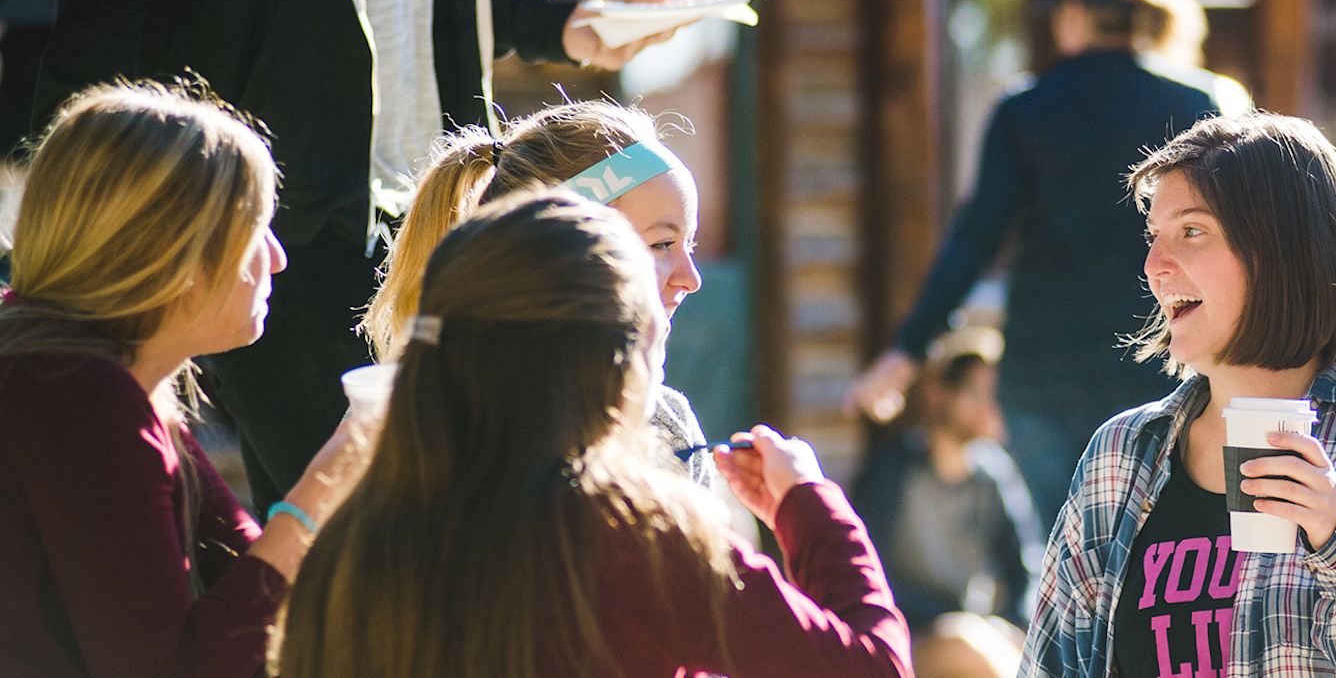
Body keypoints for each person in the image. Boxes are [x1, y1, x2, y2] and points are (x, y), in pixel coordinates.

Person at [32, 0, 688, 514]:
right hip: (284, 237)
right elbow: (104, 30)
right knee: (359, 535)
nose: (687, 277)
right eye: (660, 244)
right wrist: (51, 228)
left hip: (418, 216)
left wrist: (555, 21)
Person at [275, 195, 911, 677]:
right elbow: (874, 669)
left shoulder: (351, 538)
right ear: (617, 364)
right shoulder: (636, 535)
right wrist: (807, 504)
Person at [1020, 113, 1336, 677]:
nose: (1154, 266)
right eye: (1154, 236)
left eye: (1191, 231)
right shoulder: (1120, 456)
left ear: (1279, 249)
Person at [845, 0, 1247, 523]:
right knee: (1160, 537)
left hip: (1043, 373)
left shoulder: (1025, 110)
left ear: (1073, 15)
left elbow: (975, 238)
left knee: (1065, 537)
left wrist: (907, 350)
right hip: (1160, 362)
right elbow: (1238, 238)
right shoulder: (1197, 102)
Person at [0, 82, 365, 677]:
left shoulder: (82, 366)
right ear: (177, 257)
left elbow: (242, 576)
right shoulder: (78, 397)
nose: (277, 258)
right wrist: (325, 484)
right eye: (256, 229)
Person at [360, 100, 712, 477]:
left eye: (689, 244)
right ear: (553, 251)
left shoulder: (669, 424)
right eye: (661, 244)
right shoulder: (400, 423)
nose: (691, 279)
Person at [850, 325, 1041, 632]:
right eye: (975, 393)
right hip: (909, 630)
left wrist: (1016, 627)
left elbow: (1025, 568)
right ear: (939, 394)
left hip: (974, 627)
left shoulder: (994, 473)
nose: (988, 406)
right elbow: (870, 567)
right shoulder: (891, 473)